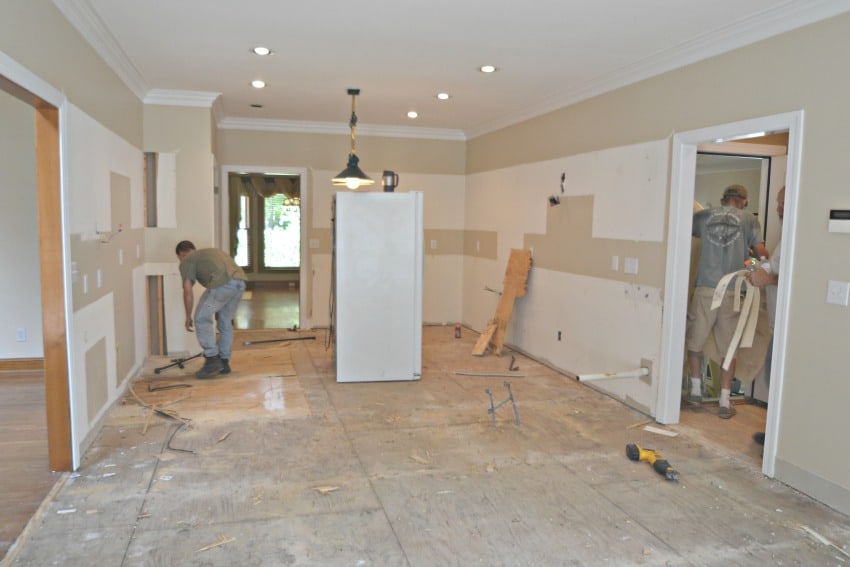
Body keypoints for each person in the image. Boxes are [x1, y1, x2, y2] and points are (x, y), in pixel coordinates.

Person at [686, 184, 769, 418]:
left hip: (705, 289)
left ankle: (695, 391)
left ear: (723, 199)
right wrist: (750, 267)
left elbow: (684, 237)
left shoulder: (702, 217)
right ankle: (724, 401)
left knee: (695, 341)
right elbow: (761, 255)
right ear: (743, 200)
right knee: (729, 349)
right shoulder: (749, 220)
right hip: (732, 291)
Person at [746, 186, 785, 443]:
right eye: (778, 203)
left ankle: (777, 442)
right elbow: (771, 265)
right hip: (776, 324)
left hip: (786, 327)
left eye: (782, 203)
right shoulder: (787, 236)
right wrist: (751, 263)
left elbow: (791, 280)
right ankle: (774, 435)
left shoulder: (801, 237)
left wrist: (767, 278)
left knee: (777, 382)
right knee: (772, 381)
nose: (778, 209)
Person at [175, 240, 247, 378]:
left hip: (222, 287)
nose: (180, 260)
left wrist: (188, 316)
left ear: (182, 254)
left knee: (201, 318)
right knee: (225, 321)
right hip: (239, 284)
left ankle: (212, 358)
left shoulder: (187, 260)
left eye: (179, 258)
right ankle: (224, 361)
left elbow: (188, 291)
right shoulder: (211, 252)